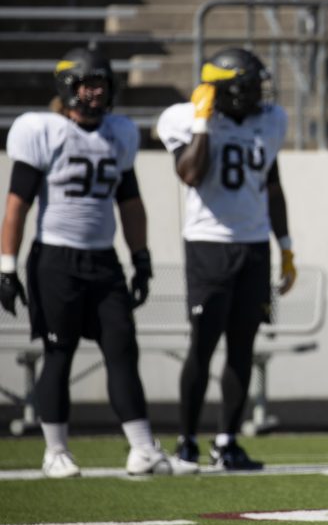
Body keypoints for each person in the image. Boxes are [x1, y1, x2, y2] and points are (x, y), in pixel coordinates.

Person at [0, 47, 170, 478]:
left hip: (104, 260)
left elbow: (131, 204)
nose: (96, 93)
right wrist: (6, 266)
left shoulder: (118, 133)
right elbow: (16, 204)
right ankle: (55, 450)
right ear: (68, 88)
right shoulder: (43, 130)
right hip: (56, 258)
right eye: (88, 85)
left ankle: (142, 447)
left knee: (122, 348)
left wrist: (142, 259)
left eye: (102, 85)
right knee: (59, 352)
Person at [156, 47, 296, 473]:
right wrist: (202, 120)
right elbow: (191, 175)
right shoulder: (184, 118)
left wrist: (285, 247)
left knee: (242, 348)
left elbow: (272, 185)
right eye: (249, 87)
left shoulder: (269, 121)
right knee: (202, 345)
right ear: (225, 91)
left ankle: (227, 440)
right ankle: (186, 441)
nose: (258, 94)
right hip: (207, 245)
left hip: (253, 246)